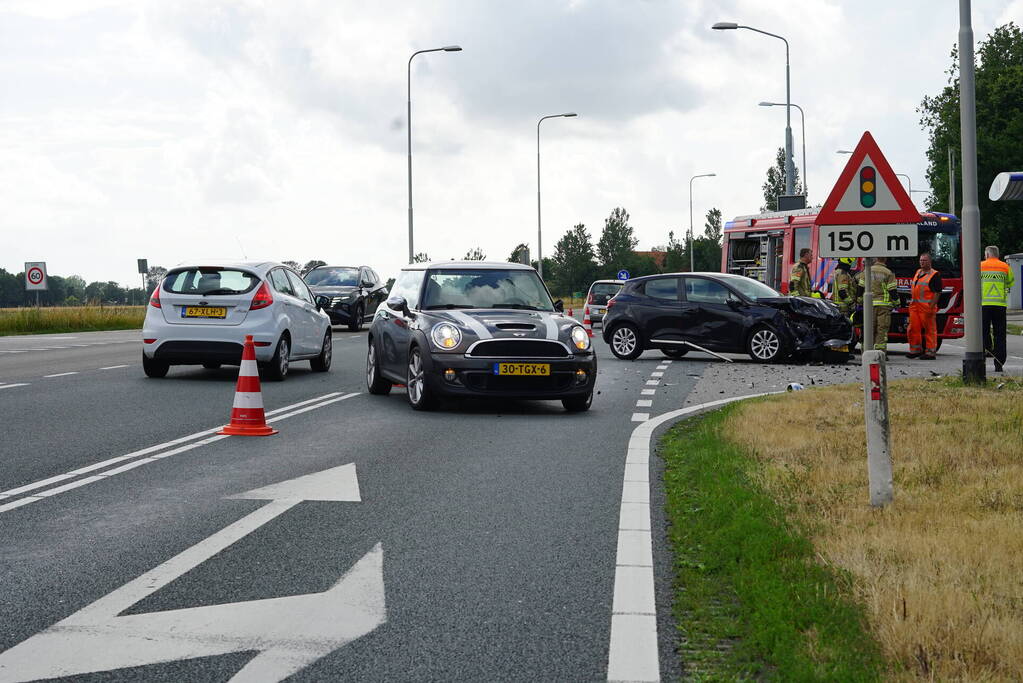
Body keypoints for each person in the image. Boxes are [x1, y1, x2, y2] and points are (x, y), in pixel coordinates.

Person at [980, 245, 1015, 372]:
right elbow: (1010, 282)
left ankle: (981, 360)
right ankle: (999, 363)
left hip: (984, 305)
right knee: (1000, 335)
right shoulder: (1005, 267)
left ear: (987, 254)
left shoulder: (980, 266)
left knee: (982, 333)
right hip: (1000, 305)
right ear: (998, 255)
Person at [857, 257, 898, 352]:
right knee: (881, 330)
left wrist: (859, 301)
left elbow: (860, 287)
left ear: (875, 260)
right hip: (883, 306)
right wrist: (897, 303)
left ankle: (866, 351)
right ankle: (880, 353)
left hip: (868, 305)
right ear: (885, 260)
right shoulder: (888, 273)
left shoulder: (866, 271)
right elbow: (892, 290)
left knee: (868, 329)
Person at [907, 252, 943, 360]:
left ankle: (930, 352)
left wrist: (931, 306)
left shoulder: (934, 275)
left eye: (924, 260)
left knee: (930, 330)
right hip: (914, 306)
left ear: (930, 262)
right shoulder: (918, 272)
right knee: (913, 329)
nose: (922, 262)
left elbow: (937, 292)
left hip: (926, 307)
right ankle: (915, 350)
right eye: (921, 260)